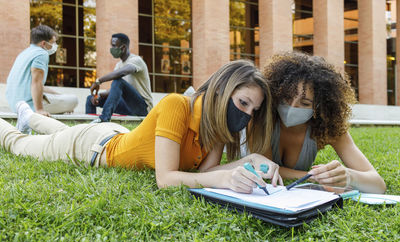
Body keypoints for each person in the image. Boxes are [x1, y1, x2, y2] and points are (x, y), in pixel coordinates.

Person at [0, 60, 281, 193]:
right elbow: (166, 179)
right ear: (221, 90)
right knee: (19, 143)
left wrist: (248, 160)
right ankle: (18, 119)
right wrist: (223, 179)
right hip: (92, 146)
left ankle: (29, 115)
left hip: (115, 135)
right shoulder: (176, 105)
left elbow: (207, 171)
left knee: (59, 131)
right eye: (243, 103)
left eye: (253, 111)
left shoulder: (219, 128)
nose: (246, 115)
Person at [242, 52, 386, 193]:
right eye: (286, 97)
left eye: (304, 103)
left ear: (320, 106)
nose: (293, 106)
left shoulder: (328, 128)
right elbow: (266, 171)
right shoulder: (260, 119)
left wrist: (348, 177)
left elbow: (378, 184)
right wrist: (313, 177)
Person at [5, 25, 78, 121]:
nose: (55, 45)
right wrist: (39, 110)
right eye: (53, 42)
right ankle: (42, 107)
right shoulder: (41, 54)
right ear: (43, 43)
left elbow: (35, 84)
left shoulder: (24, 53)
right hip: (28, 105)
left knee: (64, 98)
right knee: (73, 100)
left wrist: (59, 95)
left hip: (14, 104)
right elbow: (37, 83)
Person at [86, 33, 153, 123]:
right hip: (127, 106)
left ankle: (104, 118)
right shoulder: (118, 65)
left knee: (118, 81)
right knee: (90, 99)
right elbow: (114, 90)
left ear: (123, 48)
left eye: (114, 46)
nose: (111, 49)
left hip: (143, 108)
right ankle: (88, 126)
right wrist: (98, 96)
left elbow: (122, 73)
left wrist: (98, 81)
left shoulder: (136, 60)